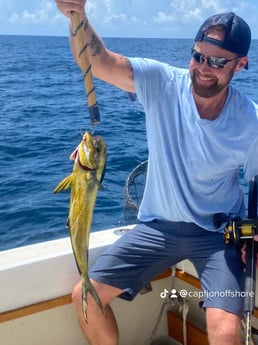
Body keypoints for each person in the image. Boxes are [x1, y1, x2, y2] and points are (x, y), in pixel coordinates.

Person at [54, 1, 258, 345]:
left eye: (218, 61)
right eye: (198, 56)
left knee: (224, 333)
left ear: (241, 64)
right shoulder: (161, 81)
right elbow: (98, 61)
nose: (204, 68)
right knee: (84, 296)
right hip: (157, 228)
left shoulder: (250, 121)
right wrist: (78, 15)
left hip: (217, 234)